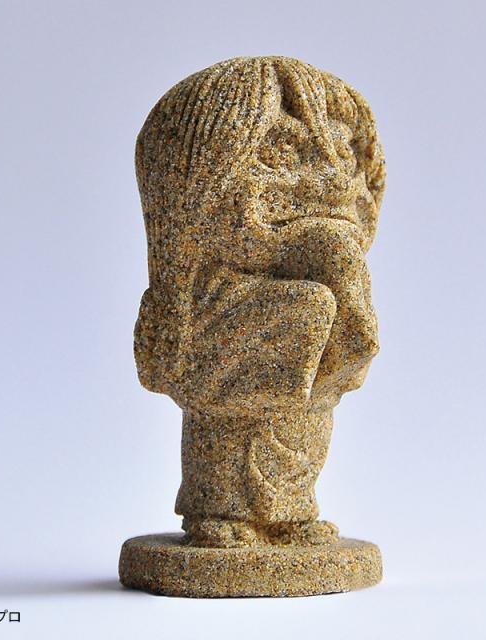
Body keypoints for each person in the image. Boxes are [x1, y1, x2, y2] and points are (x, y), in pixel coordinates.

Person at [134, 56, 385, 547]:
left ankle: (291, 511)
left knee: (309, 405)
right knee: (303, 319)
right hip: (229, 315)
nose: (329, 179)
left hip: (300, 338)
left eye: (339, 154)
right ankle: (219, 510)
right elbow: (245, 240)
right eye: (281, 154)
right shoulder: (202, 288)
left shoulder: (332, 249)